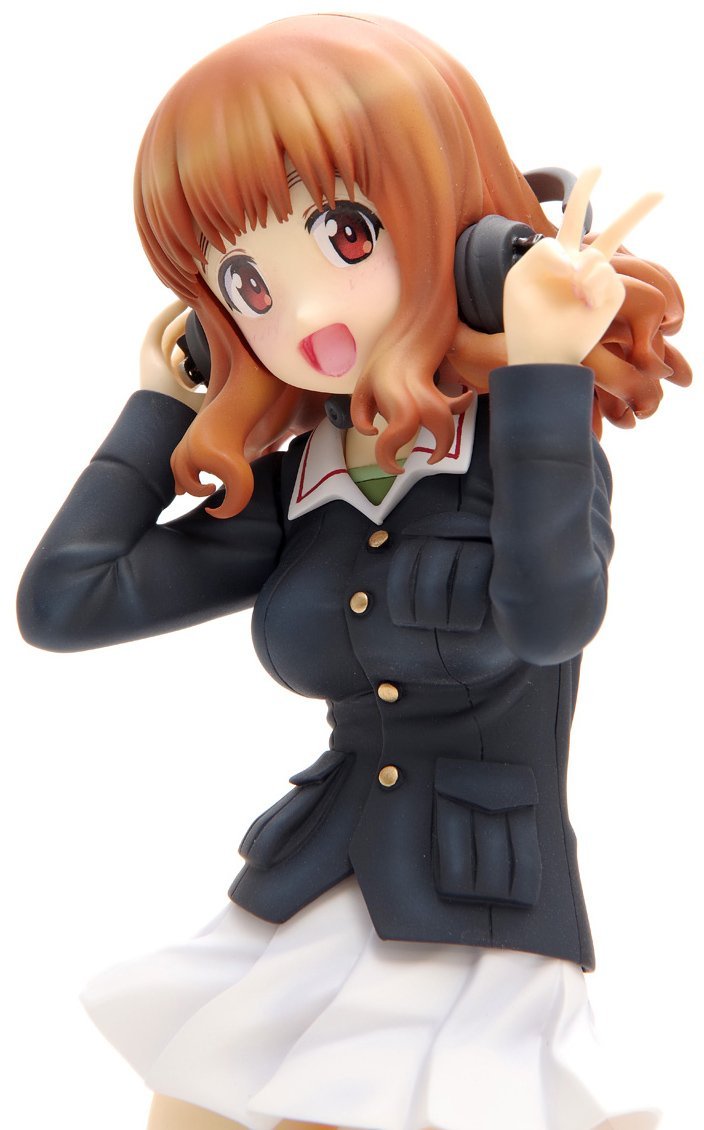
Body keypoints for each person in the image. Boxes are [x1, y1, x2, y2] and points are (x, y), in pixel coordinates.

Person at [17, 14, 690, 1130]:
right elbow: (65, 602)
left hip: (471, 921)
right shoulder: (303, 486)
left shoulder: (520, 457)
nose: (304, 315)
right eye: (245, 280)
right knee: (193, 1099)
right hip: (307, 888)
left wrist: (541, 374)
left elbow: (548, 620)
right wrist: (158, 410)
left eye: (340, 232)